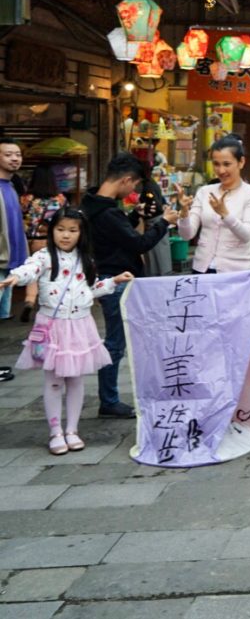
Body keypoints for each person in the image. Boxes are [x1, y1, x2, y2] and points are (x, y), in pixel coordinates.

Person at [176, 135, 250, 438]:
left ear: (241, 163)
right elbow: (187, 235)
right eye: (216, 163)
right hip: (202, 276)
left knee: (246, 346)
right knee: (205, 348)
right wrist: (185, 213)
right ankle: (213, 409)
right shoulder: (204, 191)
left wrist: (224, 213)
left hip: (236, 279)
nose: (221, 170)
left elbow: (248, 235)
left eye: (227, 163)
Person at [1, 208, 131, 454]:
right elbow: (29, 269)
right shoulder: (44, 256)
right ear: (52, 231)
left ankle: (72, 430)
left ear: (82, 233)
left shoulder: (87, 260)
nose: (66, 235)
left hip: (81, 326)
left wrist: (114, 281)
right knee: (53, 381)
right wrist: (15, 278)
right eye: (60, 229)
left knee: (76, 379)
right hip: (52, 326)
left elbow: (90, 290)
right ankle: (55, 432)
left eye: (72, 230)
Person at [82, 153, 179, 418]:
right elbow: (138, 244)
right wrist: (164, 223)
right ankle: (109, 400)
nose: (132, 191)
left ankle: (112, 397)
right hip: (116, 282)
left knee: (119, 340)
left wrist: (135, 216)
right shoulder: (107, 213)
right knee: (115, 342)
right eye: (133, 186)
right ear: (126, 180)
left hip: (108, 278)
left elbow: (119, 236)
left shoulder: (93, 203)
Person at [20, 164, 66, 323]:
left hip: (32, 240)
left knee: (33, 272)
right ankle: (50, 304)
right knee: (52, 272)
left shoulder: (27, 198)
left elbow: (22, 217)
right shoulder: (60, 199)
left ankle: (29, 301)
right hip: (52, 240)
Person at [0, 139, 28, 331]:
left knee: (3, 315)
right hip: (1, 257)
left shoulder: (11, 187)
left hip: (11, 260)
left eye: (17, 154)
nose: (14, 159)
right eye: (8, 154)